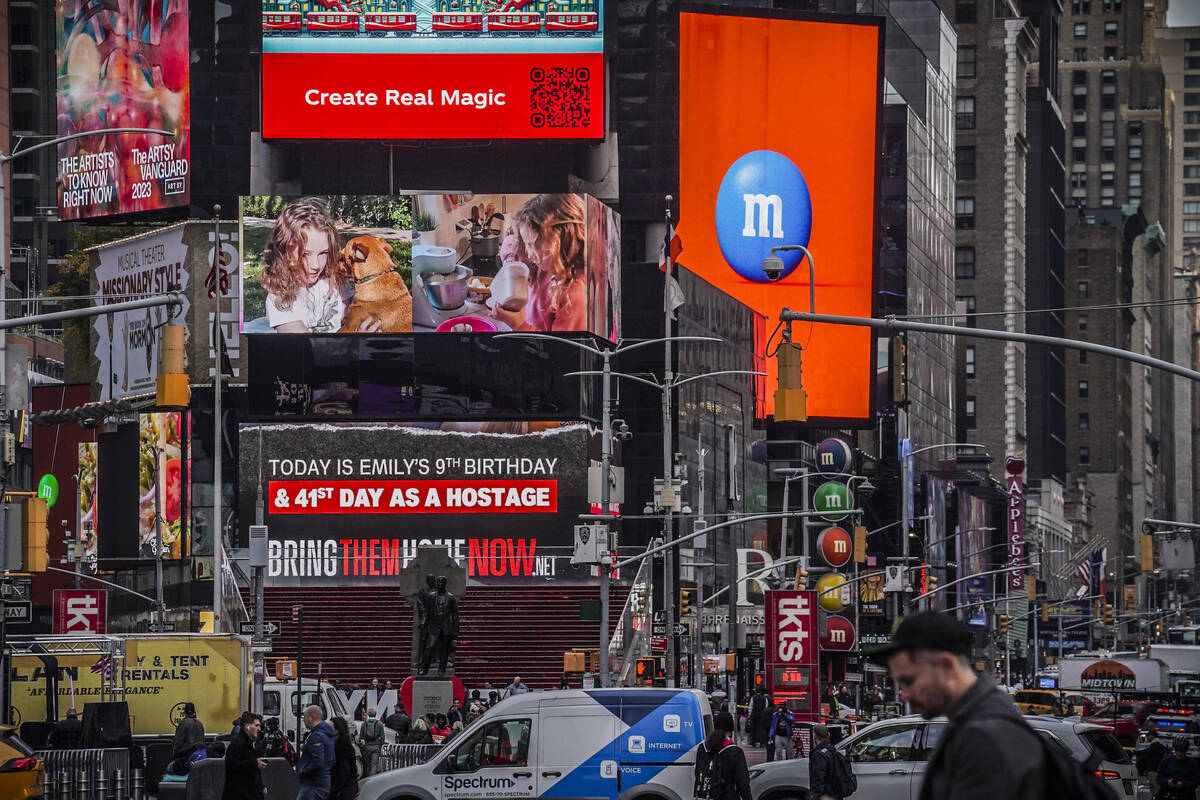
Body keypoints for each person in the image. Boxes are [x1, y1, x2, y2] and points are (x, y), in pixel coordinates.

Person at [868, 611, 1047, 800]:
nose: (904, 695)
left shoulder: (982, 737)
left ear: (947, 666)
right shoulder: (979, 719)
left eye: (909, 681)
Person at [261, 200, 379, 334]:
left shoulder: (335, 280)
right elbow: (303, 346)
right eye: (305, 254)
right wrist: (353, 340)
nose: (316, 265)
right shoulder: (280, 294)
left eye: (323, 253)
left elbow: (353, 314)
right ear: (284, 252)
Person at [490, 194, 589, 332]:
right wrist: (511, 265)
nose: (529, 255)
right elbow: (510, 241)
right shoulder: (545, 263)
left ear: (560, 242)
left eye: (533, 245)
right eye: (526, 244)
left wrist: (518, 325)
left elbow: (558, 349)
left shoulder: (574, 295)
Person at [693, 711, 752, 800]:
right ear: (731, 728)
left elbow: (698, 773)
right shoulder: (735, 752)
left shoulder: (703, 747)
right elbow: (742, 783)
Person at [223, 711, 266, 800]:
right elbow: (232, 765)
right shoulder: (238, 743)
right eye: (256, 725)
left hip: (248, 792)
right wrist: (254, 763)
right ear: (247, 727)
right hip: (240, 793)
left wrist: (261, 786)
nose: (259, 729)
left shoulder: (250, 743)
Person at [296, 704, 336, 800]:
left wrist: (303, 771)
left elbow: (318, 762)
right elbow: (332, 759)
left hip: (313, 783)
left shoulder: (316, 736)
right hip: (323, 781)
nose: (303, 720)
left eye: (304, 717)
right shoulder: (327, 734)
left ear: (311, 717)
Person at [808, 724, 843, 800]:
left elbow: (818, 778)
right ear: (828, 735)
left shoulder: (819, 754)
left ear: (815, 736)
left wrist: (815, 796)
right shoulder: (831, 749)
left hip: (826, 795)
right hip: (835, 793)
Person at [330, 716, 359, 800]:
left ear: (337, 730)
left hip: (342, 787)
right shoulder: (344, 743)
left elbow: (344, 769)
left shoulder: (340, 745)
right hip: (347, 785)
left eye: (330, 727)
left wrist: (335, 789)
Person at [1137, 729, 1169, 795]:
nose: (1147, 737)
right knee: (1155, 787)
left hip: (1154, 770)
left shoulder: (1155, 745)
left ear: (1152, 736)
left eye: (1148, 736)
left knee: (1155, 788)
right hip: (1158, 769)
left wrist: (1134, 752)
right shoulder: (1160, 744)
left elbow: (1146, 752)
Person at [358, 707, 385, 776]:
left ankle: (367, 779)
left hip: (366, 746)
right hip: (376, 747)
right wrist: (379, 745)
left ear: (367, 714)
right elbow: (382, 738)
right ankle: (371, 780)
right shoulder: (379, 724)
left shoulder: (364, 724)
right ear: (375, 714)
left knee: (368, 765)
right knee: (374, 765)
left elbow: (361, 736)